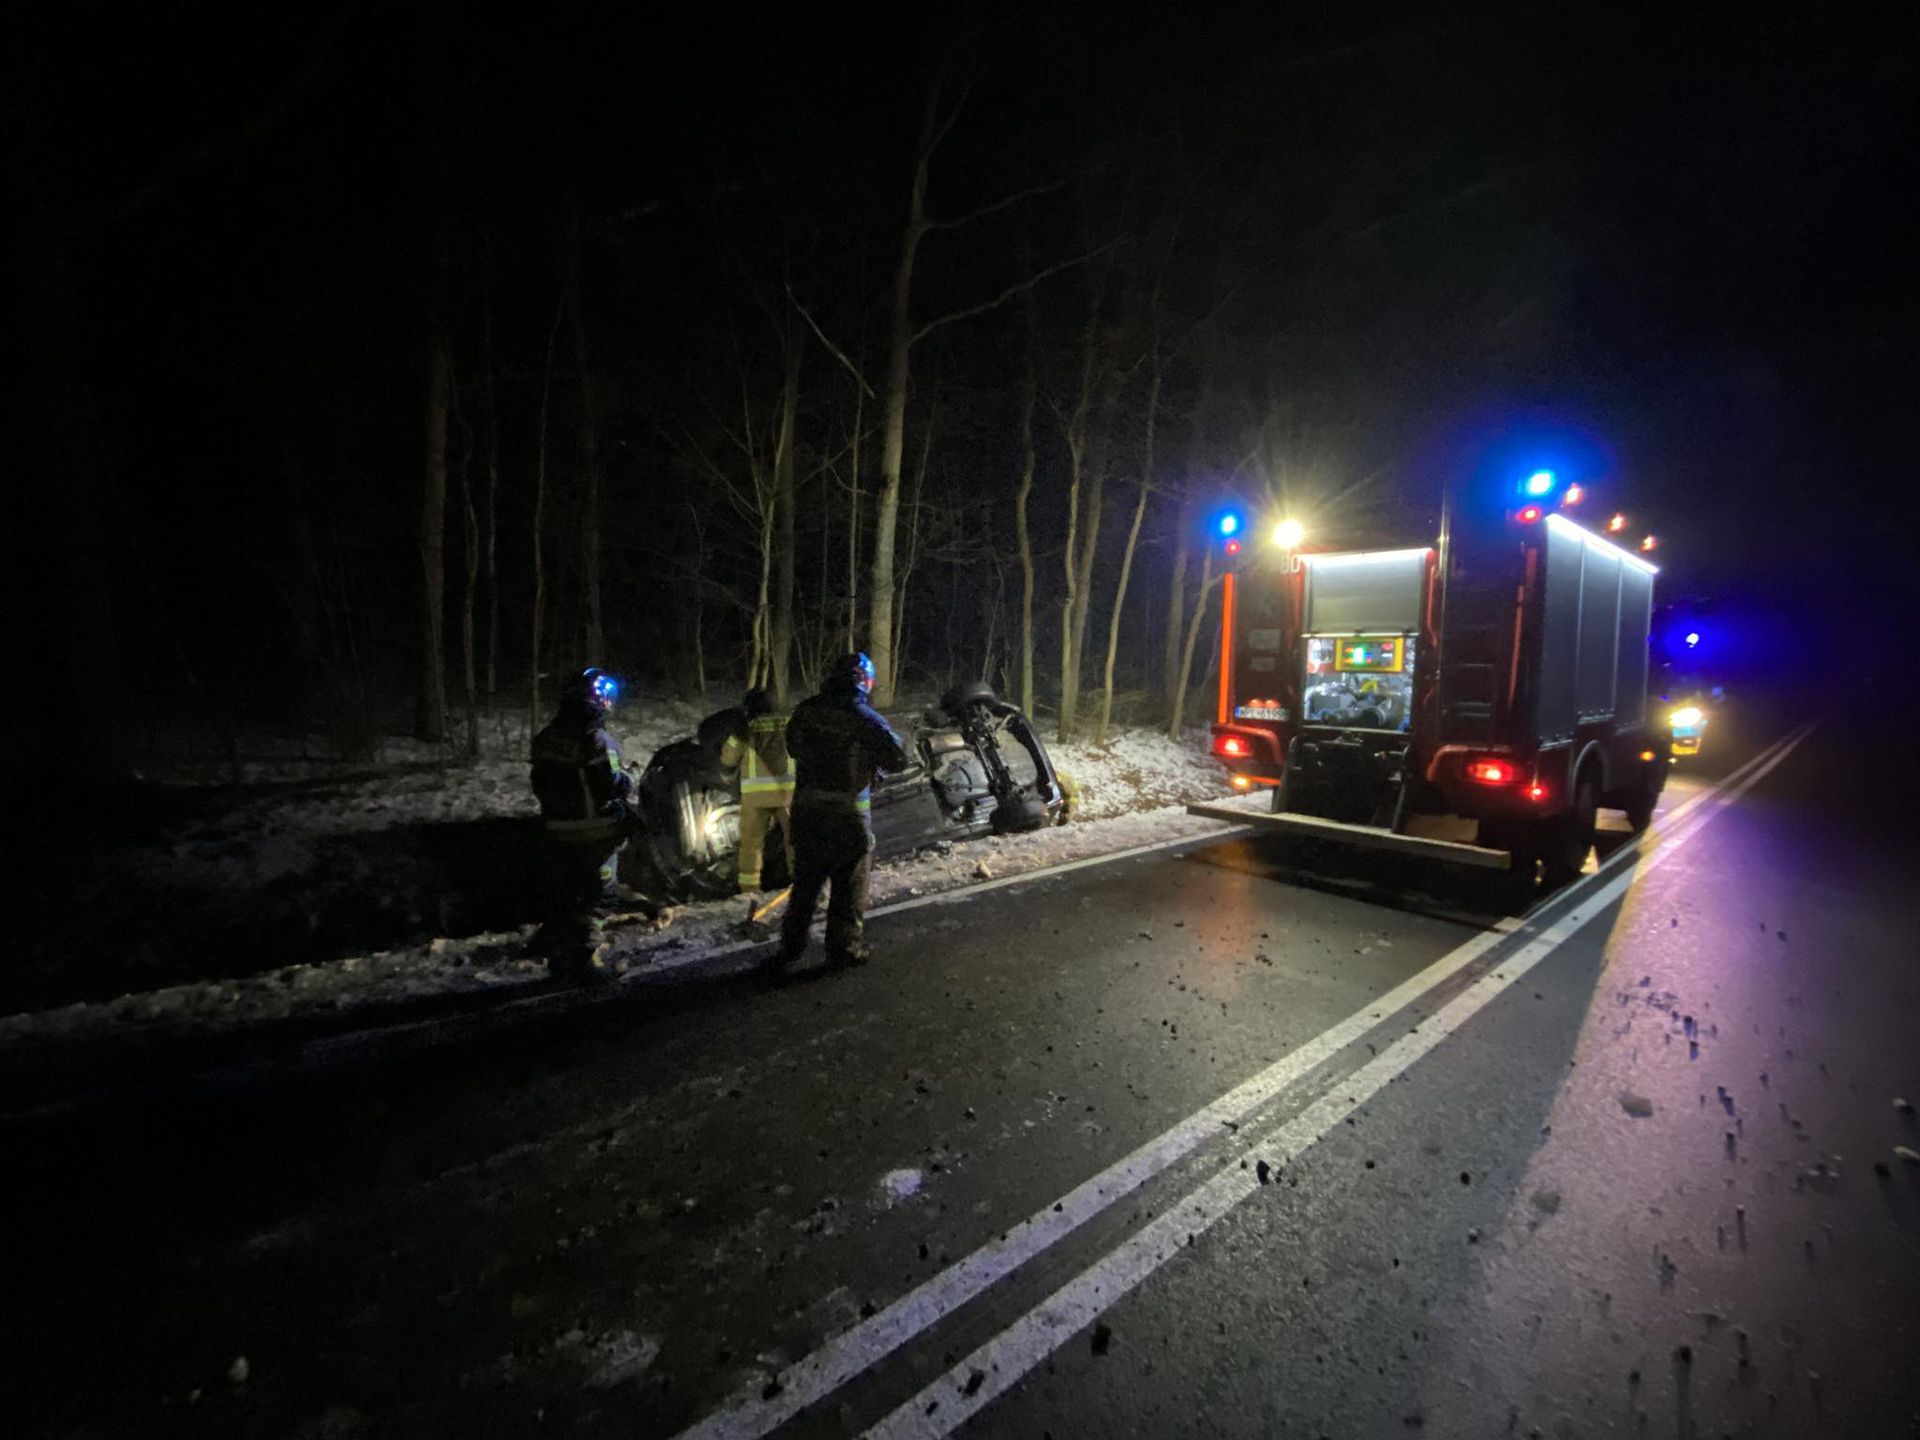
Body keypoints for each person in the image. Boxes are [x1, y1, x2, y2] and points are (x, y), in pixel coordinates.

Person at [775, 652, 910, 969]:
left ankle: (790, 947)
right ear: (864, 681)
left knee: (806, 884)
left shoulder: (807, 711)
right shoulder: (865, 718)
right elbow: (898, 758)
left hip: (807, 812)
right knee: (849, 883)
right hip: (846, 815)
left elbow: (792, 745)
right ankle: (844, 948)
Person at [528, 666, 651, 980]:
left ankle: (552, 943)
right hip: (596, 829)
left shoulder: (546, 738)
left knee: (569, 889)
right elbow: (610, 784)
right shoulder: (596, 738)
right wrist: (629, 776)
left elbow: (539, 783)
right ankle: (586, 959)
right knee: (601, 894)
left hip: (557, 829)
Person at [723, 688, 793, 914]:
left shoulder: (743, 729)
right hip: (787, 792)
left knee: (751, 846)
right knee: (795, 841)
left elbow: (727, 759)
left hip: (755, 795)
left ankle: (749, 892)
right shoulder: (788, 722)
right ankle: (802, 883)